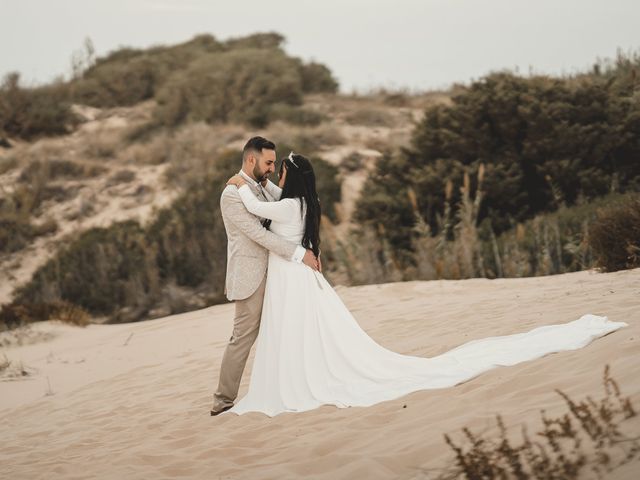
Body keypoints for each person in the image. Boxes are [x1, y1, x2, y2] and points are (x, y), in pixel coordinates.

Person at [221, 152, 628, 417]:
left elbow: (259, 206)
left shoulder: (287, 202)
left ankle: (291, 377)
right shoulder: (305, 202)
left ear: (290, 178)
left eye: (282, 168)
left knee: (294, 329)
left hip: (292, 272)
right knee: (301, 329)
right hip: (296, 271)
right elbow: (274, 195)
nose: (276, 172)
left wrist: (238, 185)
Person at [210, 137, 320, 416]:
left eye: (274, 163)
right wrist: (299, 253)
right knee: (242, 337)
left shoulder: (262, 188)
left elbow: (287, 206)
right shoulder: (232, 194)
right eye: (269, 162)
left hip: (278, 275)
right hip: (251, 276)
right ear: (251, 160)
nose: (272, 167)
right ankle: (222, 401)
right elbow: (258, 234)